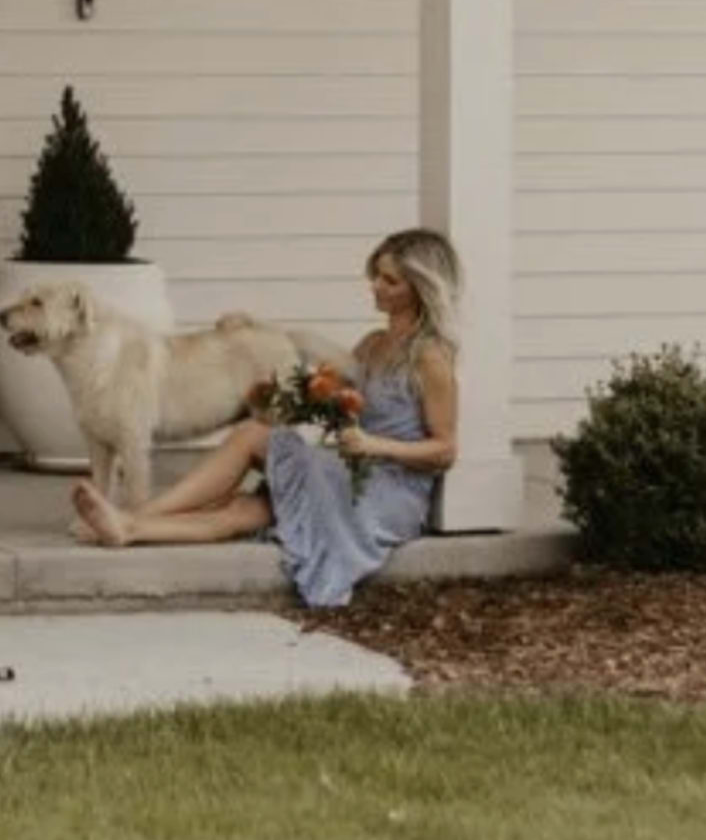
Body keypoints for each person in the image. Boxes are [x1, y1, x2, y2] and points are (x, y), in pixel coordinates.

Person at [70, 228, 462, 610]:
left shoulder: (429, 358)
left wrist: (375, 444)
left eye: (389, 280)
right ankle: (128, 529)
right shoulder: (374, 344)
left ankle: (135, 515)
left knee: (252, 435)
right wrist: (253, 330)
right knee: (243, 511)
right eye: (375, 275)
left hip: (387, 495)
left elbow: (445, 450)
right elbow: (322, 378)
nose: (375, 285)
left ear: (419, 288)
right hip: (348, 474)